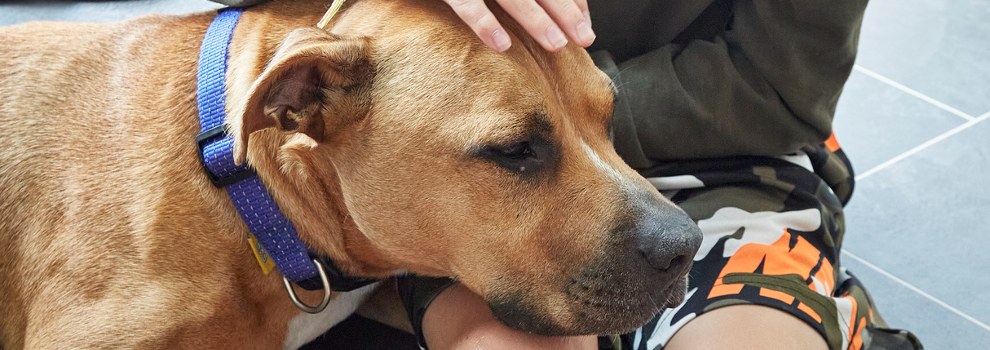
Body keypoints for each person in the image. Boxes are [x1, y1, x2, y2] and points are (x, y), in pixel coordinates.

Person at [214, 1, 923, 349]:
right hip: (464, 159)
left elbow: (774, 90)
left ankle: (814, 300)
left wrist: (554, 104)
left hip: (728, 156)